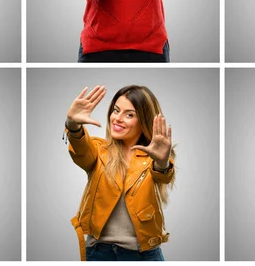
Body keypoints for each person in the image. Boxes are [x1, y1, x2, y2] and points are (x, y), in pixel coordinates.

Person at [65, 84, 175, 261]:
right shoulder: (99, 150)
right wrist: (73, 126)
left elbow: (163, 174)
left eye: (129, 114)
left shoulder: (154, 155)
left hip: (143, 254)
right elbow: (81, 151)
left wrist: (162, 161)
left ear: (144, 120)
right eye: (116, 111)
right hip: (99, 252)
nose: (117, 118)